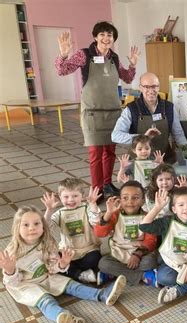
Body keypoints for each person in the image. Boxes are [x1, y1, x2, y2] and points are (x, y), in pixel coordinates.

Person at [0, 206, 126, 323]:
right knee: (45, 300)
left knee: (72, 285)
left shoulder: (47, 243)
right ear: (17, 228)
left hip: (46, 276)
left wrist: (62, 264)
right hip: (26, 285)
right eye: (25, 225)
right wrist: (10, 271)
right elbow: (12, 283)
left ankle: (102, 295)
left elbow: (52, 268)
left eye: (36, 223)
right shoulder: (12, 252)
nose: (32, 228)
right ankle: (61, 316)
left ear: (43, 226)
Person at [55, 22, 139, 198]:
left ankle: (107, 184)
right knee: (95, 154)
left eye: (110, 35)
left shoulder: (114, 58)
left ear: (113, 39)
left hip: (113, 112)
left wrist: (132, 65)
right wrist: (63, 54)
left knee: (110, 152)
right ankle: (97, 189)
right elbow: (62, 70)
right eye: (102, 34)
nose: (106, 38)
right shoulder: (84, 55)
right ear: (95, 36)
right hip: (92, 113)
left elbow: (128, 78)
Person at [139, 187, 187, 304]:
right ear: (174, 209)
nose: (186, 208)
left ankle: (178, 291)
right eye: (181, 205)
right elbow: (144, 226)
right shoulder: (167, 222)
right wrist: (157, 208)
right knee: (164, 278)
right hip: (171, 264)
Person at [111, 72, 187, 163]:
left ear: (158, 87)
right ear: (140, 88)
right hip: (139, 162)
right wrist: (142, 137)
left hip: (164, 161)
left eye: (154, 86)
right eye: (147, 87)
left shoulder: (169, 107)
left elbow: (178, 134)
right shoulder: (131, 109)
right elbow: (115, 136)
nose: (151, 90)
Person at [94, 181, 158, 286]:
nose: (130, 202)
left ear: (142, 201)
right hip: (119, 252)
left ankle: (114, 274)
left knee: (150, 261)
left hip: (140, 252)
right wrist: (108, 213)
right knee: (103, 263)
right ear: (120, 200)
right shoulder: (115, 215)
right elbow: (100, 233)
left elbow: (150, 241)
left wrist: (137, 254)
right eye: (125, 198)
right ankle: (143, 276)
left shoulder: (147, 217)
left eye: (135, 198)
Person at [41, 178, 102, 283]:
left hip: (88, 249)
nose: (70, 200)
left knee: (96, 258)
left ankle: (75, 272)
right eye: (66, 196)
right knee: (53, 262)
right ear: (60, 197)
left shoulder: (87, 208)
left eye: (75, 196)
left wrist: (93, 204)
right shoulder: (59, 213)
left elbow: (96, 221)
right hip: (67, 252)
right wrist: (49, 210)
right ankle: (81, 274)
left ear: (82, 196)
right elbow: (45, 228)